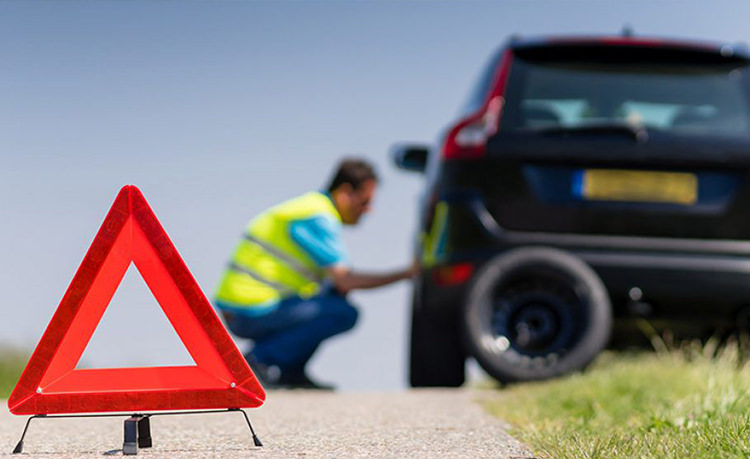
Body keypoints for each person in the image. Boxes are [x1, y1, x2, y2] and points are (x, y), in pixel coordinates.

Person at [214, 158, 415, 390]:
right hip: (248, 310)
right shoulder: (316, 217)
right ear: (345, 192)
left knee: (335, 297)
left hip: (247, 306)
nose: (368, 210)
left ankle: (290, 370)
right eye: (364, 201)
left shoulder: (309, 207)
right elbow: (346, 279)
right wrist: (406, 274)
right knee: (342, 312)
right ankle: (259, 361)